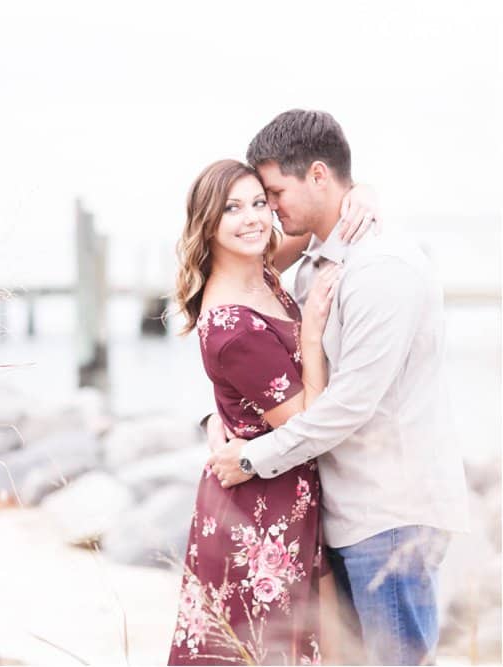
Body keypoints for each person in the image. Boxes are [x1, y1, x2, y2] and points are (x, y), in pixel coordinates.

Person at [208, 109, 469, 665]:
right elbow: (252, 349)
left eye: (275, 192)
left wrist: (253, 459)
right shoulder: (313, 264)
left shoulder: (382, 269)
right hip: (344, 513)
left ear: (320, 176)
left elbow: (350, 404)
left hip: (391, 515)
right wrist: (216, 419)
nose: (270, 208)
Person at [166, 158, 378, 665]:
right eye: (232, 208)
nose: (253, 218)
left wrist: (361, 192)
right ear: (207, 223)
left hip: (283, 489)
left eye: (259, 202)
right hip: (260, 509)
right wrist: (311, 333)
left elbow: (310, 228)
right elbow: (307, 418)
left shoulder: (260, 267)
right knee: (264, 652)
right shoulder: (232, 324)